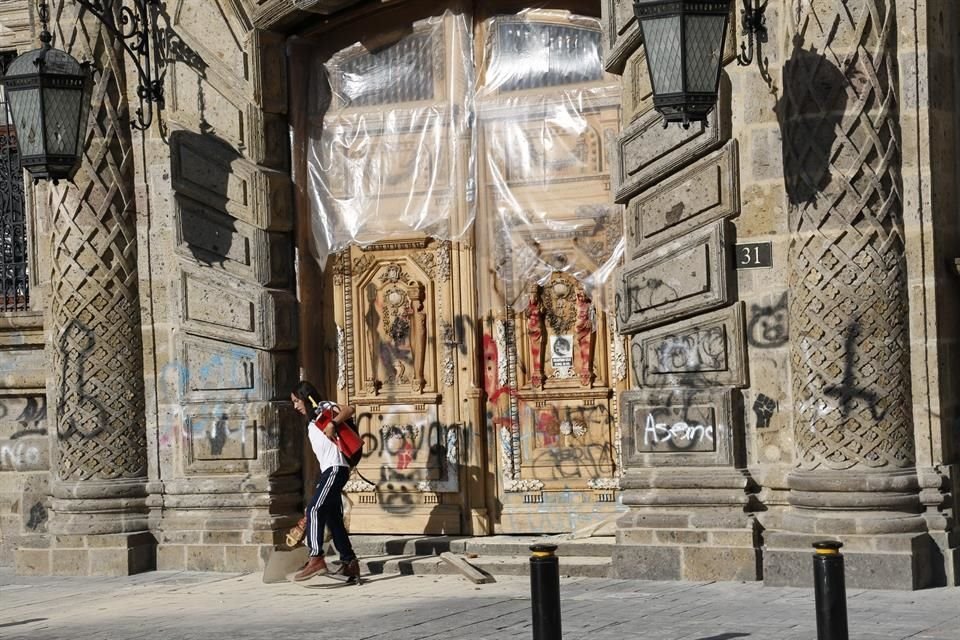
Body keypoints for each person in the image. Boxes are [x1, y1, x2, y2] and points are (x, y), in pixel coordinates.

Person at [290, 380, 360, 581]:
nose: (295, 406)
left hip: (336, 468)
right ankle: (349, 562)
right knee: (332, 517)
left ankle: (316, 558)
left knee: (313, 509)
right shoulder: (311, 421)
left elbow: (350, 409)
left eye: (297, 401)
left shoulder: (324, 407)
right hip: (327, 471)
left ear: (305, 397)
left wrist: (333, 422)